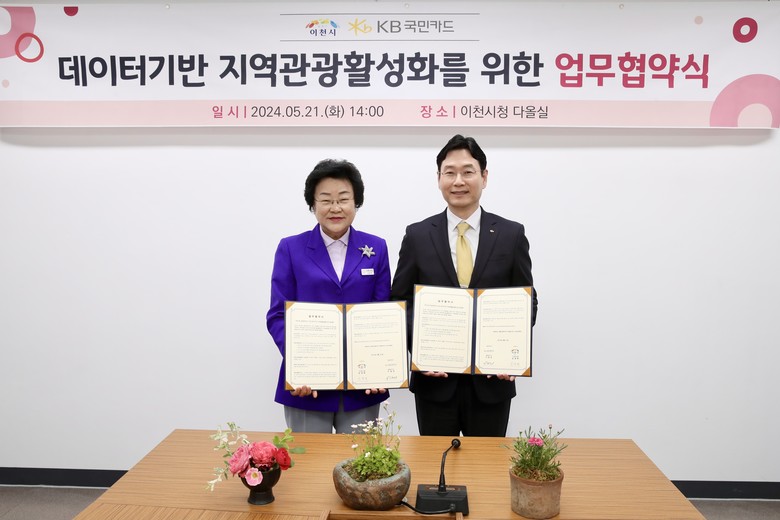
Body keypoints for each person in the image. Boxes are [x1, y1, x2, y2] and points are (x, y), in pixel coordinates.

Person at [390, 134, 538, 437]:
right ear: (439, 178)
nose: (458, 181)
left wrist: (511, 352)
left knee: (487, 461)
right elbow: (400, 303)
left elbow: (526, 301)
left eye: (468, 172)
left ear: (484, 177)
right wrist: (419, 351)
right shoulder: (417, 235)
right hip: (434, 381)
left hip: (492, 382)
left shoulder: (511, 234)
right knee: (436, 461)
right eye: (450, 172)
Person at [266, 159, 390, 433]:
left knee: (360, 459)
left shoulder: (377, 247)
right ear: (313, 204)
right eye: (325, 200)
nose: (335, 208)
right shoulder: (291, 248)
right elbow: (277, 316)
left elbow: (382, 315)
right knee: (308, 459)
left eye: (343, 199)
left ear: (356, 202)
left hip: (362, 387)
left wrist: (378, 367)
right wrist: (300, 364)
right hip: (306, 387)